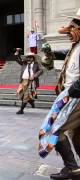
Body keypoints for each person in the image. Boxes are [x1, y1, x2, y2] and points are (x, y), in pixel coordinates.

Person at [38, 9, 80, 179]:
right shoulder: (76, 47)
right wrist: (49, 53)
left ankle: (71, 168)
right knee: (76, 134)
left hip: (76, 97)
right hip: (72, 95)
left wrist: (70, 91)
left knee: (55, 129)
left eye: (71, 30)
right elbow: (62, 54)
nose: (68, 34)